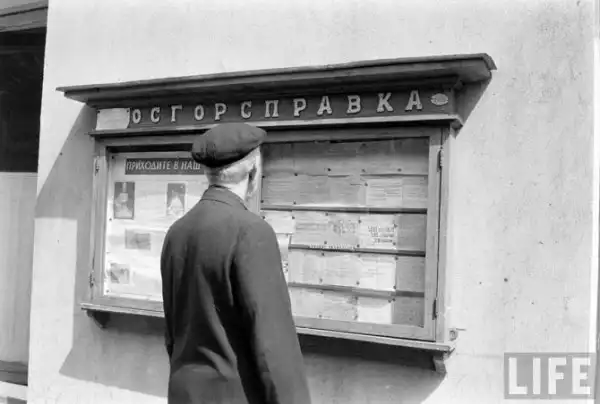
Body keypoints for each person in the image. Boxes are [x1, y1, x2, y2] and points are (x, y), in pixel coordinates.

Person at [160, 123, 311, 404]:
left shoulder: (177, 232)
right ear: (253, 171)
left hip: (184, 393)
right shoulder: (251, 232)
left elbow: (172, 333)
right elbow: (274, 346)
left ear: (208, 173)